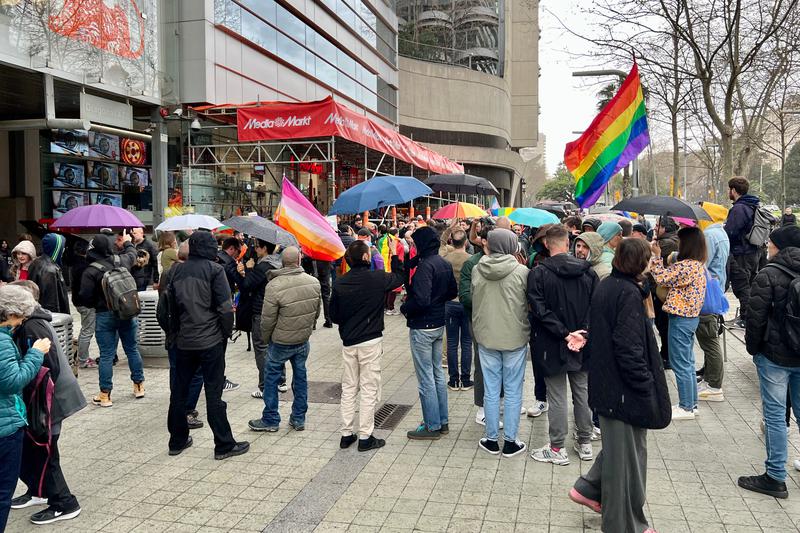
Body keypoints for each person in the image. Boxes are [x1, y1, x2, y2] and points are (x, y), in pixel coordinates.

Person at [570, 239, 670, 533]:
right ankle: (625, 525)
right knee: (625, 461)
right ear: (638, 263)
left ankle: (588, 489)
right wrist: (645, 383)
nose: (652, 264)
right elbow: (628, 348)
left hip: (610, 386)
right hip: (622, 390)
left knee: (621, 451)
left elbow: (606, 330)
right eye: (649, 260)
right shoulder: (626, 293)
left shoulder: (611, 285)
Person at [165, 231, 249, 460]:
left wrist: (172, 334)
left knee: (179, 392)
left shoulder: (175, 271)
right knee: (213, 393)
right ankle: (223, 444)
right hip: (210, 340)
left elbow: (165, 309)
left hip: (184, 341)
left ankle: (177, 440)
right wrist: (224, 336)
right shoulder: (215, 270)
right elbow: (224, 309)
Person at [10, 281, 85, 525]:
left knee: (45, 451)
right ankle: (39, 491)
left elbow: (46, 367)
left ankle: (64, 503)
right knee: (36, 450)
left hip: (48, 399)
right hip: (45, 398)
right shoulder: (31, 322)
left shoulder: (32, 325)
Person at [738, 225, 800, 499]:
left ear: (781, 247)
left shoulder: (769, 274)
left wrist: (754, 350)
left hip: (774, 357)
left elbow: (755, 317)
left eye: (771, 242)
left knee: (775, 416)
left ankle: (775, 476)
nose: (767, 246)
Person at [529, 225, 598, 465]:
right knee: (582, 391)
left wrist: (564, 333)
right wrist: (583, 334)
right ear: (568, 243)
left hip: (552, 342)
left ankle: (557, 447)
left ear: (547, 244)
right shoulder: (589, 273)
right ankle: (585, 441)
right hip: (582, 342)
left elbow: (538, 310)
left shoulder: (538, 273)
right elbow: (596, 307)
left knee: (557, 395)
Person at [331, 241, 404, 451]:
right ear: (365, 258)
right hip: (370, 339)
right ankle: (365, 436)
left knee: (349, 387)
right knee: (369, 387)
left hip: (349, 341)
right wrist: (395, 256)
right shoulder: (377, 278)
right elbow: (399, 278)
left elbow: (334, 315)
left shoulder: (340, 283)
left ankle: (346, 434)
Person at [472, 228, 531, 457]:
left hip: (486, 336)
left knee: (491, 388)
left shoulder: (478, 269)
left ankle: (490, 437)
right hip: (514, 336)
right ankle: (511, 440)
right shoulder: (522, 272)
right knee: (514, 390)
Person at [249, 247, 321, 432]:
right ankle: (298, 418)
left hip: (280, 341)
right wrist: (307, 330)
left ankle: (271, 419)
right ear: (299, 261)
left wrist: (267, 339)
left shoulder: (274, 285)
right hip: (302, 339)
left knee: (271, 378)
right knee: (300, 377)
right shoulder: (313, 282)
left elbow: (267, 319)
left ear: (282, 262)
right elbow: (316, 312)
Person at [401, 226, 457, 440]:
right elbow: (452, 291)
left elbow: (422, 299)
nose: (413, 248)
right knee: (437, 374)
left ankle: (432, 425)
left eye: (415, 244)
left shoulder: (425, 267)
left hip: (422, 326)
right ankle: (442, 421)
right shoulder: (442, 262)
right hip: (437, 323)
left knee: (426, 378)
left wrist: (406, 308)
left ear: (423, 244)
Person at [0, 285, 48, 531]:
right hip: (5, 426)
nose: (21, 322)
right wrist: (35, 354)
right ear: (9, 314)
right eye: (20, 316)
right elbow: (12, 381)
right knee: (2, 493)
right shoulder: (3, 342)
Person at [79, 231, 145, 407]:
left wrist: (98, 303)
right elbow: (132, 254)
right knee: (131, 348)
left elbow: (84, 297)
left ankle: (105, 395)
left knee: (107, 354)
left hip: (104, 315)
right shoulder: (121, 260)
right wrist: (127, 242)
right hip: (127, 311)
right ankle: (139, 386)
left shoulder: (91, 271)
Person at [650, 226, 707, 420]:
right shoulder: (697, 264)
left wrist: (656, 256)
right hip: (690, 319)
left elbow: (661, 277)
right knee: (688, 363)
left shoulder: (687, 266)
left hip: (681, 319)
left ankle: (686, 407)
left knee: (680, 363)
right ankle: (692, 404)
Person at [157, 241, 205, 430]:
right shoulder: (194, 274)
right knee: (196, 373)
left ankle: (176, 406)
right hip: (191, 334)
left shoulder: (167, 273)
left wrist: (168, 329)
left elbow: (161, 308)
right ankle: (186, 410)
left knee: (176, 371)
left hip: (174, 333)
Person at [459, 222, 500, 426]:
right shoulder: (472, 263)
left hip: (502, 321)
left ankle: (498, 403)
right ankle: (482, 408)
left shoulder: (505, 261)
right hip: (478, 321)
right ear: (482, 241)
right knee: (483, 364)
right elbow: (465, 296)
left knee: (502, 363)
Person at [236, 239, 281, 398]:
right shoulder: (277, 263)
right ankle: (280, 381)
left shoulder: (263, 266)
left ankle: (265, 387)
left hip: (260, 311)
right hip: (274, 310)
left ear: (264, 248)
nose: (255, 249)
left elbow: (248, 285)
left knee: (261, 349)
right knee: (274, 347)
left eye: (257, 247)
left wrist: (247, 271)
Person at [696, 210, 730, 402]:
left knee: (709, 339)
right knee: (710, 337)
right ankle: (710, 379)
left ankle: (714, 385)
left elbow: (702, 263)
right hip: (716, 288)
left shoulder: (709, 234)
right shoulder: (721, 232)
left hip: (707, 291)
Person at [724, 177, 761, 328]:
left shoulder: (740, 208)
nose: (728, 192)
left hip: (742, 253)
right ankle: (747, 317)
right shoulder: (751, 205)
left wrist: (724, 229)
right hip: (752, 252)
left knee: (742, 286)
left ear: (733, 190)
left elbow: (731, 231)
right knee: (749, 285)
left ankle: (746, 319)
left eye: (729, 189)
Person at [442, 229, 473, 391]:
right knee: (467, 343)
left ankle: (454, 379)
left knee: (452, 343)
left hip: (450, 303)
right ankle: (466, 379)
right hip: (467, 303)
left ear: (451, 242)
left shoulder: (446, 259)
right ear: (466, 242)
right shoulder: (471, 260)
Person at [651, 216, 680, 368]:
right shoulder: (669, 240)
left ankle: (667, 356)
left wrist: (654, 250)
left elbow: (654, 265)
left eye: (658, 225)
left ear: (665, 228)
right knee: (664, 325)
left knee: (664, 325)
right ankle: (666, 354)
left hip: (664, 292)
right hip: (664, 291)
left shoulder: (667, 243)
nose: (655, 228)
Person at [27, 234, 70, 315]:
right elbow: (51, 302)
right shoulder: (50, 270)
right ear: (56, 249)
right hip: (50, 317)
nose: (64, 249)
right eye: (62, 247)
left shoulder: (36, 262)